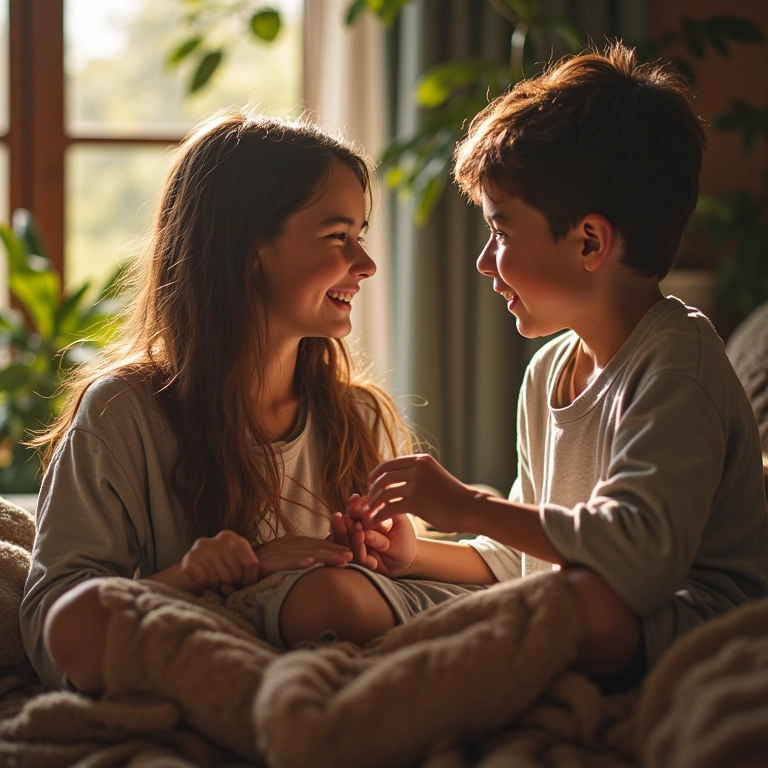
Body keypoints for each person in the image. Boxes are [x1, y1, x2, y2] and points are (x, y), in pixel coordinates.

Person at [20, 112, 497, 693]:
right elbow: (54, 628)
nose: (366, 264)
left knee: (347, 599)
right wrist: (194, 576)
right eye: (337, 237)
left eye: (361, 235)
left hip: (351, 655)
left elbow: (403, 588)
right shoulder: (124, 413)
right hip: (225, 660)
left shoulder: (359, 418)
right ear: (249, 247)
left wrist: (393, 555)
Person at [345, 42, 768, 690]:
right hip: (583, 602)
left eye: (503, 233)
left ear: (590, 242)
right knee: (538, 599)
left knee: (579, 606)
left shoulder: (678, 366)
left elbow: (637, 561)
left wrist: (467, 505)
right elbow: (524, 557)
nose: (486, 261)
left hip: (692, 627)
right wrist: (415, 553)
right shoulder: (548, 373)